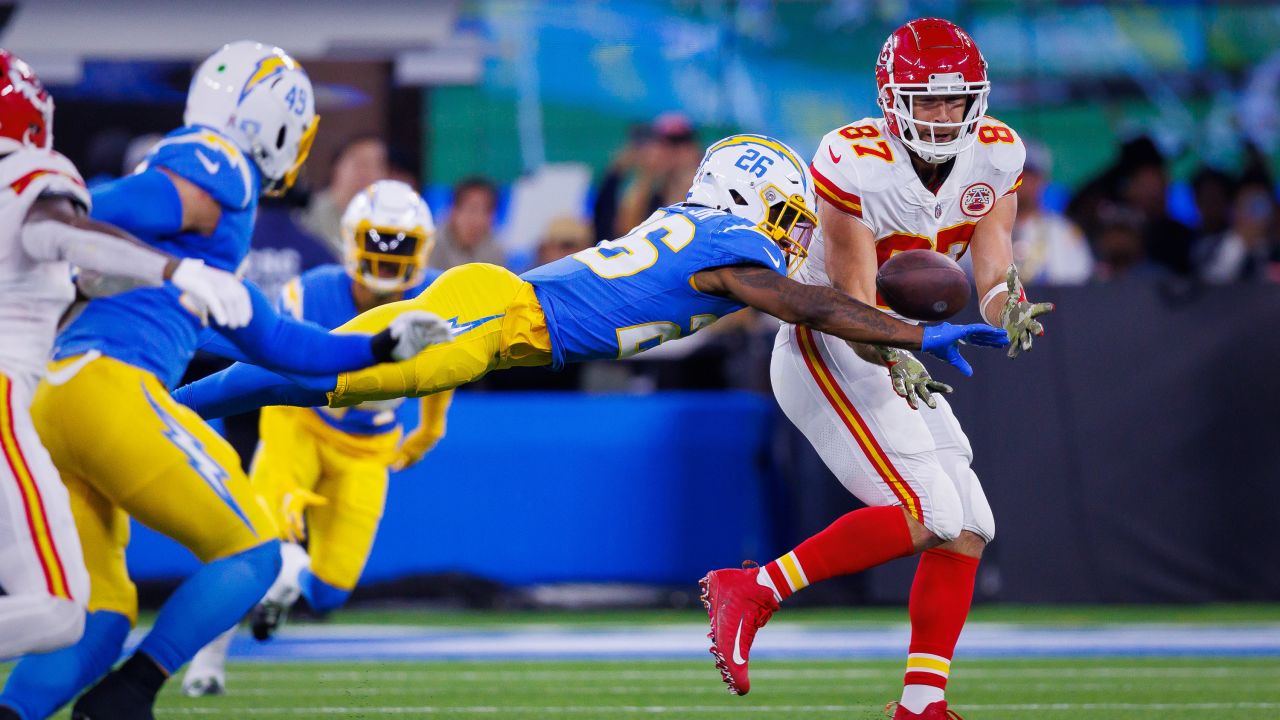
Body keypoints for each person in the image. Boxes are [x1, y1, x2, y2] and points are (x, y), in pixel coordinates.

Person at [0, 42, 449, 720]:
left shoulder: (199, 221)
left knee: (99, 614)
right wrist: (61, 221)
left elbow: (274, 341)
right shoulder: (222, 166)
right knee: (254, 553)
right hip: (109, 388)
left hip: (55, 398)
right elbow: (131, 203)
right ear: (271, 120)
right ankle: (127, 699)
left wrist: (378, 346)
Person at [699, 20, 1053, 720]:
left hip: (902, 342)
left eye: (956, 101)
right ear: (894, 99)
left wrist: (1004, 300)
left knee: (970, 522)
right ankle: (754, 589)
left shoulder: (997, 153)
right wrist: (893, 348)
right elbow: (854, 297)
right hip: (829, 341)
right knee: (930, 511)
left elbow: (990, 262)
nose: (944, 115)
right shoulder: (853, 157)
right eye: (927, 100)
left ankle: (922, 705)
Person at [172, 134, 1008, 427]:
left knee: (314, 380)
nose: (791, 233)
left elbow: (811, 290)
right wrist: (912, 331)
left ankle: (172, 391)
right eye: (786, 213)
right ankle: (165, 374)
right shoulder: (724, 246)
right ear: (756, 198)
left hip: (495, 318)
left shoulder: (698, 228)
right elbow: (804, 301)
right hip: (494, 320)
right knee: (320, 371)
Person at [0, 51, 251, 662]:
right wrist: (176, 266)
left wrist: (122, 281)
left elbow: (50, 273)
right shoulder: (29, 175)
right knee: (60, 608)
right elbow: (54, 232)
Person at [181, 180, 454, 697]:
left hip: (370, 445)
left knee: (330, 593)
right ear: (353, 239)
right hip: (299, 425)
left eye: (400, 244)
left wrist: (431, 426)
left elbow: (451, 363)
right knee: (255, 543)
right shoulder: (309, 292)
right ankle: (207, 659)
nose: (389, 256)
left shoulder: (437, 295)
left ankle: (290, 581)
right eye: (380, 241)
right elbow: (261, 353)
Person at [294, 135, 390, 258]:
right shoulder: (307, 212)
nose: (366, 173)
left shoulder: (390, 219)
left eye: (376, 165)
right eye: (360, 163)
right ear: (337, 166)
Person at [1010, 142, 1092, 285]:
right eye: (1014, 173)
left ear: (1042, 179)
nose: (1020, 181)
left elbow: (1075, 283)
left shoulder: (1062, 231)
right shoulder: (980, 228)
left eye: (1028, 175)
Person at [428, 177, 504, 270]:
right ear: (454, 211)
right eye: (472, 209)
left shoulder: (496, 252)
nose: (478, 219)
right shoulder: (430, 244)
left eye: (486, 211)